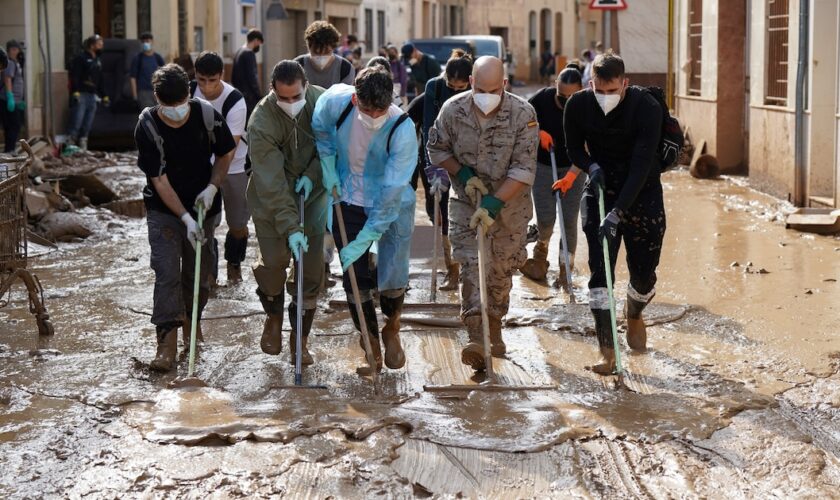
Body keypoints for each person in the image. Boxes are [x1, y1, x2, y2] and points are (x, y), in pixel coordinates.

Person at [427, 56, 538, 372]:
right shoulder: (453, 110)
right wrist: (461, 175)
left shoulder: (523, 114)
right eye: (479, 88)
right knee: (471, 262)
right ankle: (477, 334)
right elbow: (437, 149)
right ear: (471, 83)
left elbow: (523, 167)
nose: (485, 95)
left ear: (504, 84)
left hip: (510, 207)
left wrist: (494, 204)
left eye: (492, 89)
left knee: (501, 269)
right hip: (466, 202)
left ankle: (494, 323)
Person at [559, 51, 665, 374]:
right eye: (598, 91)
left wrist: (618, 212)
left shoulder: (646, 107)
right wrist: (590, 166)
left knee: (644, 274)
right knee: (599, 273)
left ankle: (634, 312)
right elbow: (573, 147)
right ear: (591, 83)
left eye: (612, 91)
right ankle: (607, 349)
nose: (604, 98)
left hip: (642, 192)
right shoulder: (577, 105)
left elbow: (642, 165)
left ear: (625, 84)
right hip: (601, 190)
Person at [312, 67, 418, 375]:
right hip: (346, 196)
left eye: (380, 110)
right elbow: (320, 128)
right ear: (356, 99)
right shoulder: (336, 102)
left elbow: (394, 189)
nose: (374, 116)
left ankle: (392, 328)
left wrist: (368, 235)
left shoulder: (401, 127)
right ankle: (369, 341)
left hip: (392, 203)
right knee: (354, 275)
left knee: (393, 271)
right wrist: (328, 163)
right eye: (367, 109)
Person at [134, 64, 235, 371]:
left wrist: (212, 187)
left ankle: (192, 325)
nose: (176, 111)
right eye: (168, 106)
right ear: (156, 98)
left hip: (204, 206)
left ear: (189, 95)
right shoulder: (147, 126)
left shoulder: (207, 116)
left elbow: (226, 152)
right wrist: (184, 218)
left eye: (180, 104)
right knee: (166, 272)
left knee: (201, 276)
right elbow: (159, 180)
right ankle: (166, 342)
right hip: (163, 211)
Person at [247, 60, 327, 363]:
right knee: (273, 264)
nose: (291, 103)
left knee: (310, 268)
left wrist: (315, 174)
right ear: (272, 91)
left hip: (313, 197)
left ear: (305, 86)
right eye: (284, 98)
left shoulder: (321, 103)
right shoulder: (261, 121)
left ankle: (300, 339)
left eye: (297, 97)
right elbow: (271, 182)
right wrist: (291, 226)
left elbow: (330, 147)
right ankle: (273, 317)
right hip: (271, 201)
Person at [520, 63, 586, 284]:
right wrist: (537, 131)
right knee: (546, 219)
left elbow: (590, 147)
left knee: (569, 221)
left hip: (574, 169)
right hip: (544, 167)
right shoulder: (541, 99)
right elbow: (521, 119)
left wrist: (571, 176)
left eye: (572, 97)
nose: (566, 101)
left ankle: (565, 270)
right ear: (555, 86)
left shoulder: (588, 106)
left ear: (582, 90)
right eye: (561, 96)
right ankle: (540, 255)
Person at [192, 51, 250, 285]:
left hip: (234, 166)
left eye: (212, 81)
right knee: (207, 223)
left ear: (221, 76)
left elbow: (228, 150)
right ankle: (209, 274)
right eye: (201, 80)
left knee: (238, 224)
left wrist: (215, 184)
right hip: (200, 165)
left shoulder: (234, 101)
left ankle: (234, 263)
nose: (206, 87)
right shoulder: (187, 93)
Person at [420, 49, 473, 291]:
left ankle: (468, 267)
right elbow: (429, 127)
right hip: (439, 156)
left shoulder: (477, 90)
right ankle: (451, 268)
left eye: (460, 87)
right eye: (451, 85)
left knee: (466, 212)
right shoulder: (435, 87)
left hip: (467, 158)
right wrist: (433, 165)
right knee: (439, 211)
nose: (455, 90)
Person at [67, 35, 108, 151]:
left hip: (92, 96)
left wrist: (104, 95)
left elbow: (100, 79)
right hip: (81, 95)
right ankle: (70, 146)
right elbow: (75, 75)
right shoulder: (81, 58)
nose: (101, 46)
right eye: (99, 44)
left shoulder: (98, 60)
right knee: (76, 121)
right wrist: (75, 91)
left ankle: (83, 147)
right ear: (92, 45)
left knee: (87, 124)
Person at [295, 21, 355, 90]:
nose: (321, 55)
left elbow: (343, 98)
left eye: (326, 52)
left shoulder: (345, 69)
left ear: (333, 48)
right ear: (309, 47)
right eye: (316, 52)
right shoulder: (297, 66)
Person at [232, 29, 264, 118]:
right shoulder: (249, 54)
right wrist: (259, 96)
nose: (259, 46)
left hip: (239, 95)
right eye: (259, 43)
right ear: (255, 40)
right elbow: (253, 77)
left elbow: (233, 77)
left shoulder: (239, 52)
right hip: (249, 98)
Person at [129, 32, 165, 109]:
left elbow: (165, 74)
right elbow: (133, 78)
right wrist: (135, 96)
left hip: (157, 92)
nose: (145, 43)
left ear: (152, 42)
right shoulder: (138, 58)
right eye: (143, 42)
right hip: (143, 93)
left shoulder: (157, 57)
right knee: (148, 117)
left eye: (147, 41)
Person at [2, 40, 25, 153]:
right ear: (8, 50)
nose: (15, 51)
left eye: (17, 49)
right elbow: (8, 79)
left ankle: (9, 149)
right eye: (13, 49)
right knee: (14, 126)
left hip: (16, 100)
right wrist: (10, 97)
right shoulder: (10, 63)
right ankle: (10, 150)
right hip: (9, 100)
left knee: (12, 126)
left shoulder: (16, 62)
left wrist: (21, 100)